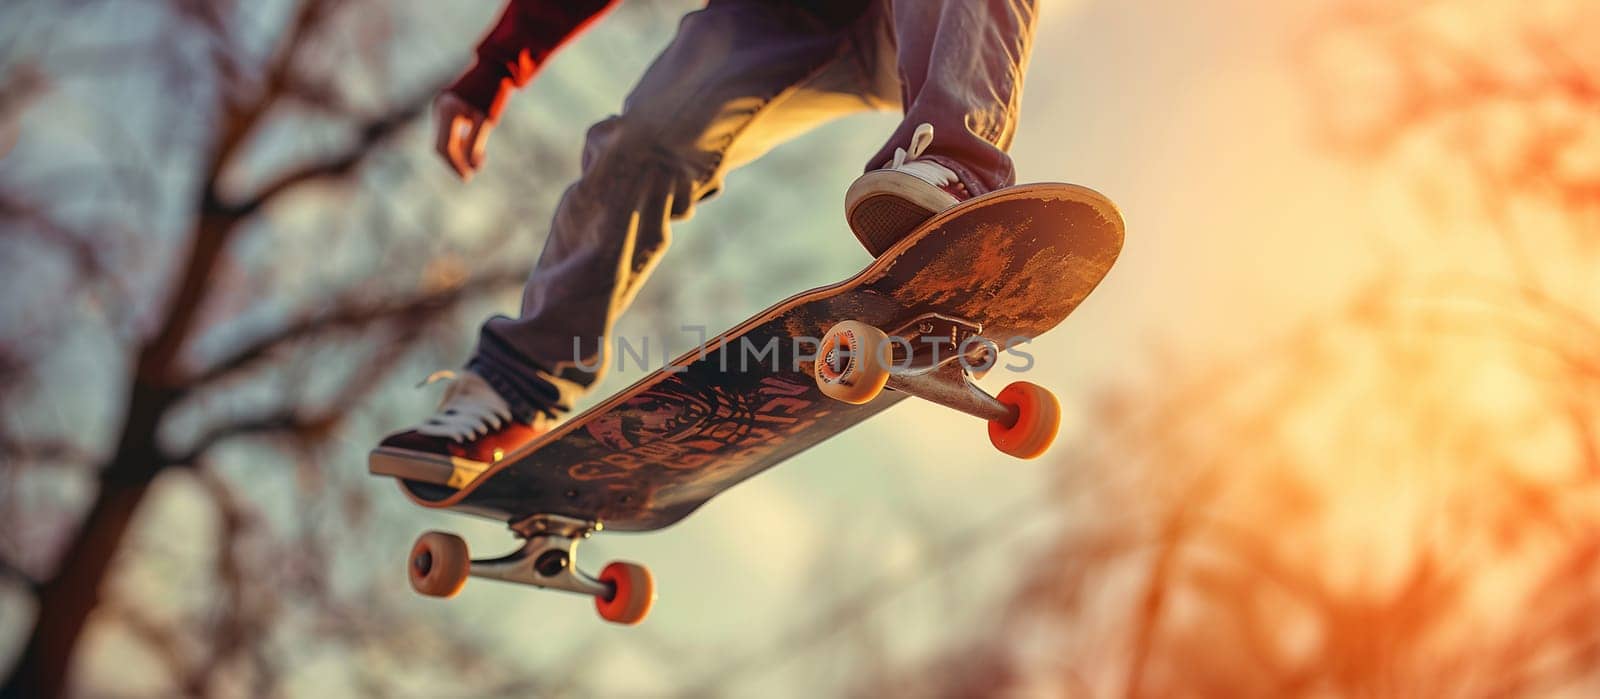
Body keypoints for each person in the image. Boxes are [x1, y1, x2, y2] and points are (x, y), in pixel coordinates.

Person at [370, 0, 1037, 485]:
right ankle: (516, 386)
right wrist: (496, 65)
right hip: (777, 17)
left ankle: (954, 167)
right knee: (646, 140)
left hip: (931, 20)